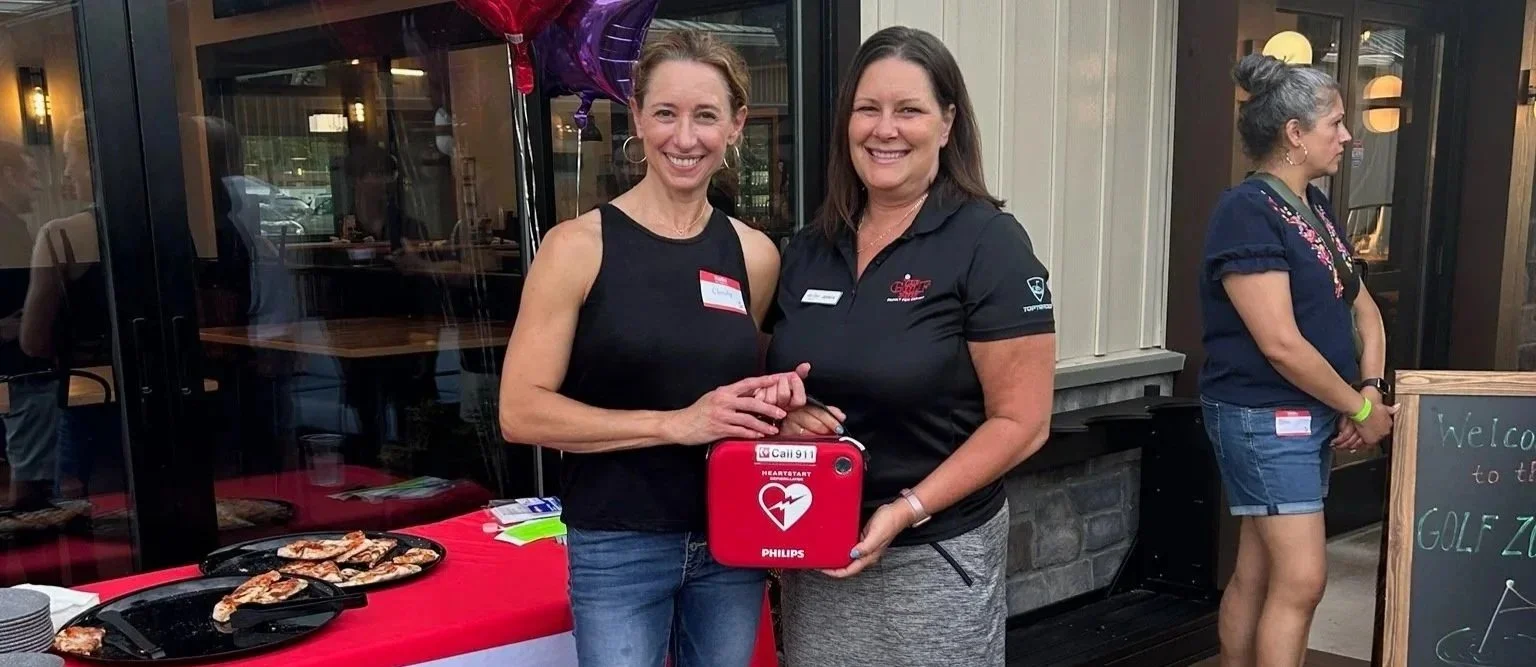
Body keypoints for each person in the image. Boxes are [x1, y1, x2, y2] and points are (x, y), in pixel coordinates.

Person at [497, 30, 804, 667]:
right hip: (618, 545)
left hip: (732, 539)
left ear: (736, 125)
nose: (684, 138)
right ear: (636, 116)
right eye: (665, 113)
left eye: (706, 116)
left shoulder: (755, 255)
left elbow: (741, 387)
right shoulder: (577, 248)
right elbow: (520, 412)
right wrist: (676, 424)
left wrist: (784, 403)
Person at [762, 26, 1055, 666]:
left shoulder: (988, 243)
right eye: (868, 109)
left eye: (909, 109)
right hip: (817, 548)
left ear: (947, 124)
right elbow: (772, 379)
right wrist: (783, 416)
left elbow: (1024, 422)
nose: (884, 128)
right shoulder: (811, 247)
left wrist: (908, 509)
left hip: (934, 555)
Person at [1199, 54, 1395, 667]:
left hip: (1307, 412)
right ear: (1293, 133)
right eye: (1335, 123)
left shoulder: (1313, 206)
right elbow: (1279, 342)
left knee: (1261, 574)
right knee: (1303, 580)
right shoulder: (1247, 211)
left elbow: (1364, 309)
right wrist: (1361, 406)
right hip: (1265, 419)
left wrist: (1366, 386)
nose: (1346, 135)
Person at [0, 140, 55, 510]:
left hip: (18, 372)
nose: (37, 185)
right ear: (8, 175)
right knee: (30, 486)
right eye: (31, 175)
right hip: (22, 374)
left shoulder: (13, 227)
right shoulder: (8, 231)